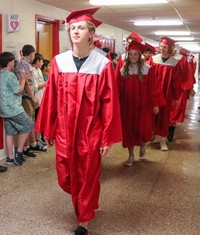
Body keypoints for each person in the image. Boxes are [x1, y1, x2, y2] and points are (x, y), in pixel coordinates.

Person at [35, 7, 122, 235]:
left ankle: (84, 219)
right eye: (72, 27)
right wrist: (49, 129)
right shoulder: (58, 61)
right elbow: (51, 98)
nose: (75, 31)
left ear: (91, 34)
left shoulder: (102, 64)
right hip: (64, 130)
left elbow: (109, 103)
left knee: (88, 174)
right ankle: (87, 201)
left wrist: (106, 138)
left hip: (90, 131)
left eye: (80, 27)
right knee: (66, 177)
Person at [116, 40, 162, 166]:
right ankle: (131, 156)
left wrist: (155, 104)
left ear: (140, 55)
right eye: (130, 54)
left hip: (144, 105)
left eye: (136, 54)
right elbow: (117, 88)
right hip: (128, 105)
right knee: (128, 129)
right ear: (127, 56)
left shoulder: (148, 70)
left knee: (142, 128)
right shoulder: (122, 70)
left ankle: (142, 145)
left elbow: (154, 88)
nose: (133, 57)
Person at [0, 52, 34, 166]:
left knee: (10, 132)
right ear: (9, 62)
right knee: (29, 125)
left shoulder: (1, 74)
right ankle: (18, 152)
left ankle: (10, 158)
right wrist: (23, 79)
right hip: (14, 108)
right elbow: (19, 91)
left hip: (4, 109)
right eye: (13, 61)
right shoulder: (10, 75)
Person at [148, 36, 182, 151]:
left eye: (165, 47)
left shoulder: (174, 63)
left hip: (166, 94)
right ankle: (151, 133)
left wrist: (177, 97)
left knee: (164, 116)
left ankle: (162, 140)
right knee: (151, 115)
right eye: (161, 46)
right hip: (153, 92)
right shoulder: (153, 59)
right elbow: (146, 76)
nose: (162, 49)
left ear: (170, 48)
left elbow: (177, 82)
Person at [15, 45, 47, 157]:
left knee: (31, 120)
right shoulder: (23, 64)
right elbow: (27, 83)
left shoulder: (26, 64)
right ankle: (27, 146)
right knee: (29, 121)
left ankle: (30, 145)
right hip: (26, 97)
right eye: (34, 54)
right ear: (31, 54)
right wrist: (33, 97)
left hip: (29, 96)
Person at [31, 53, 46, 145]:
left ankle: (40, 137)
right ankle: (36, 140)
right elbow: (35, 87)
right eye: (41, 61)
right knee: (36, 120)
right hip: (36, 100)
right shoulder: (32, 71)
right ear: (37, 61)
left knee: (40, 120)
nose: (42, 63)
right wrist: (48, 82)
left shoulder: (39, 70)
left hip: (42, 99)